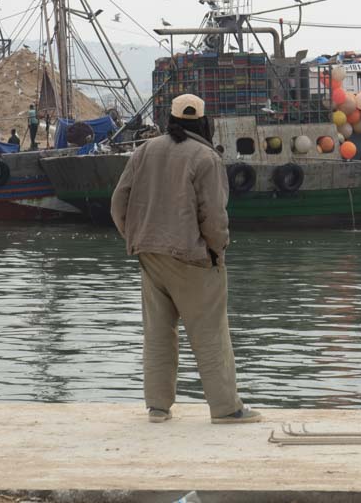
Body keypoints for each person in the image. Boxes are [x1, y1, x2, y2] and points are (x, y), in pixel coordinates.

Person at [110, 93, 260, 425]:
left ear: (171, 120)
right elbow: (214, 217)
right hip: (193, 257)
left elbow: (118, 202)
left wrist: (135, 238)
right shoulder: (206, 157)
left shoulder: (145, 150)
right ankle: (225, 408)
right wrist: (216, 251)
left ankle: (158, 407)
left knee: (158, 332)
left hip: (150, 254)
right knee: (210, 332)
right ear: (203, 122)